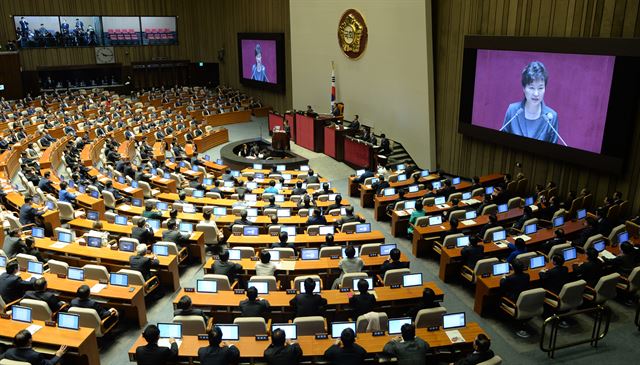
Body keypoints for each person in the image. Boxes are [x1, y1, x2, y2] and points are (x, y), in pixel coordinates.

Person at [501, 61, 560, 144]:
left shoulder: (551, 117)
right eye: (532, 88)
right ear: (524, 89)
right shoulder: (513, 111)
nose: (536, 94)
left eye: (540, 88)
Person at [2, 329, 67, 365]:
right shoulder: (35, 355)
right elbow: (49, 364)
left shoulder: (9, 352)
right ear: (30, 340)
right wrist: (58, 355)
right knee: (61, 360)